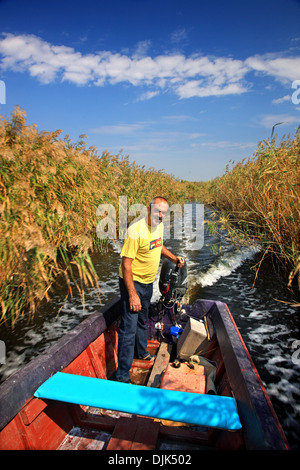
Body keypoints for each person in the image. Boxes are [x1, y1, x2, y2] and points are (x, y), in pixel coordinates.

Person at [115, 196, 184, 383]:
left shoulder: (159, 225)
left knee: (142, 321)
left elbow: (158, 245)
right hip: (133, 282)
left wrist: (173, 258)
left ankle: (142, 352)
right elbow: (126, 265)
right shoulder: (136, 230)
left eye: (163, 212)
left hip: (148, 282)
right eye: (157, 211)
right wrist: (132, 295)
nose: (160, 215)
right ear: (148, 209)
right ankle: (122, 375)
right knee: (128, 328)